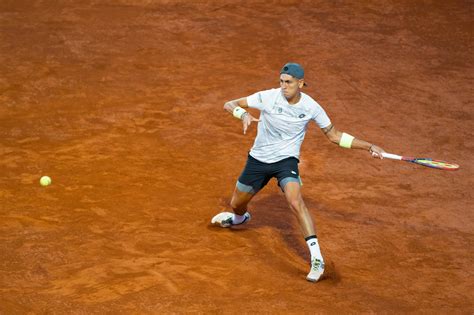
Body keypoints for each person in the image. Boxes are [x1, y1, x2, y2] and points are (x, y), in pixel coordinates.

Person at [211, 62, 385, 282]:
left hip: (286, 160)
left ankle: (317, 259)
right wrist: (241, 114)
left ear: (301, 83)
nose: (284, 86)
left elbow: (334, 135)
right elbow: (230, 103)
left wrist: (369, 146)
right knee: (236, 203)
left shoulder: (311, 107)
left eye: (289, 82)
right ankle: (239, 218)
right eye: (282, 82)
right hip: (258, 159)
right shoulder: (268, 97)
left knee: (295, 201)